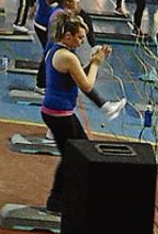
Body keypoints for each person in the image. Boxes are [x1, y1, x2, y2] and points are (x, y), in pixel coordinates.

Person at [41, 11, 112, 214]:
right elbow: (86, 84)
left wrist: (92, 62)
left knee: (74, 153)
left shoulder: (57, 50)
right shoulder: (66, 55)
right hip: (59, 113)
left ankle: (59, 197)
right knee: (76, 154)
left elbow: (76, 72)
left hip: (55, 110)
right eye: (80, 37)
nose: (82, 41)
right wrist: (96, 63)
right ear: (68, 35)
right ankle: (56, 200)